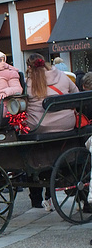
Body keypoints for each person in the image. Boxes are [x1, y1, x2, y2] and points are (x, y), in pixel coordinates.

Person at [25, 53, 79, 210]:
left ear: (29, 67)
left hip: (40, 126)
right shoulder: (62, 75)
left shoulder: (29, 82)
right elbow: (75, 93)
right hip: (66, 124)